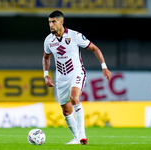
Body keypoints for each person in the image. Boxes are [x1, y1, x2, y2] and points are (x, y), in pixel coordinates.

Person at [42, 10, 111, 145]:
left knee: (74, 98)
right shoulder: (48, 40)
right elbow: (46, 57)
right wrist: (46, 75)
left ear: (61, 22)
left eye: (54, 22)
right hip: (61, 78)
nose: (51, 25)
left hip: (76, 73)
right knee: (66, 110)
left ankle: (82, 135)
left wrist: (104, 66)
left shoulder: (75, 35)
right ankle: (76, 138)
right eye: (49, 22)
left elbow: (95, 48)